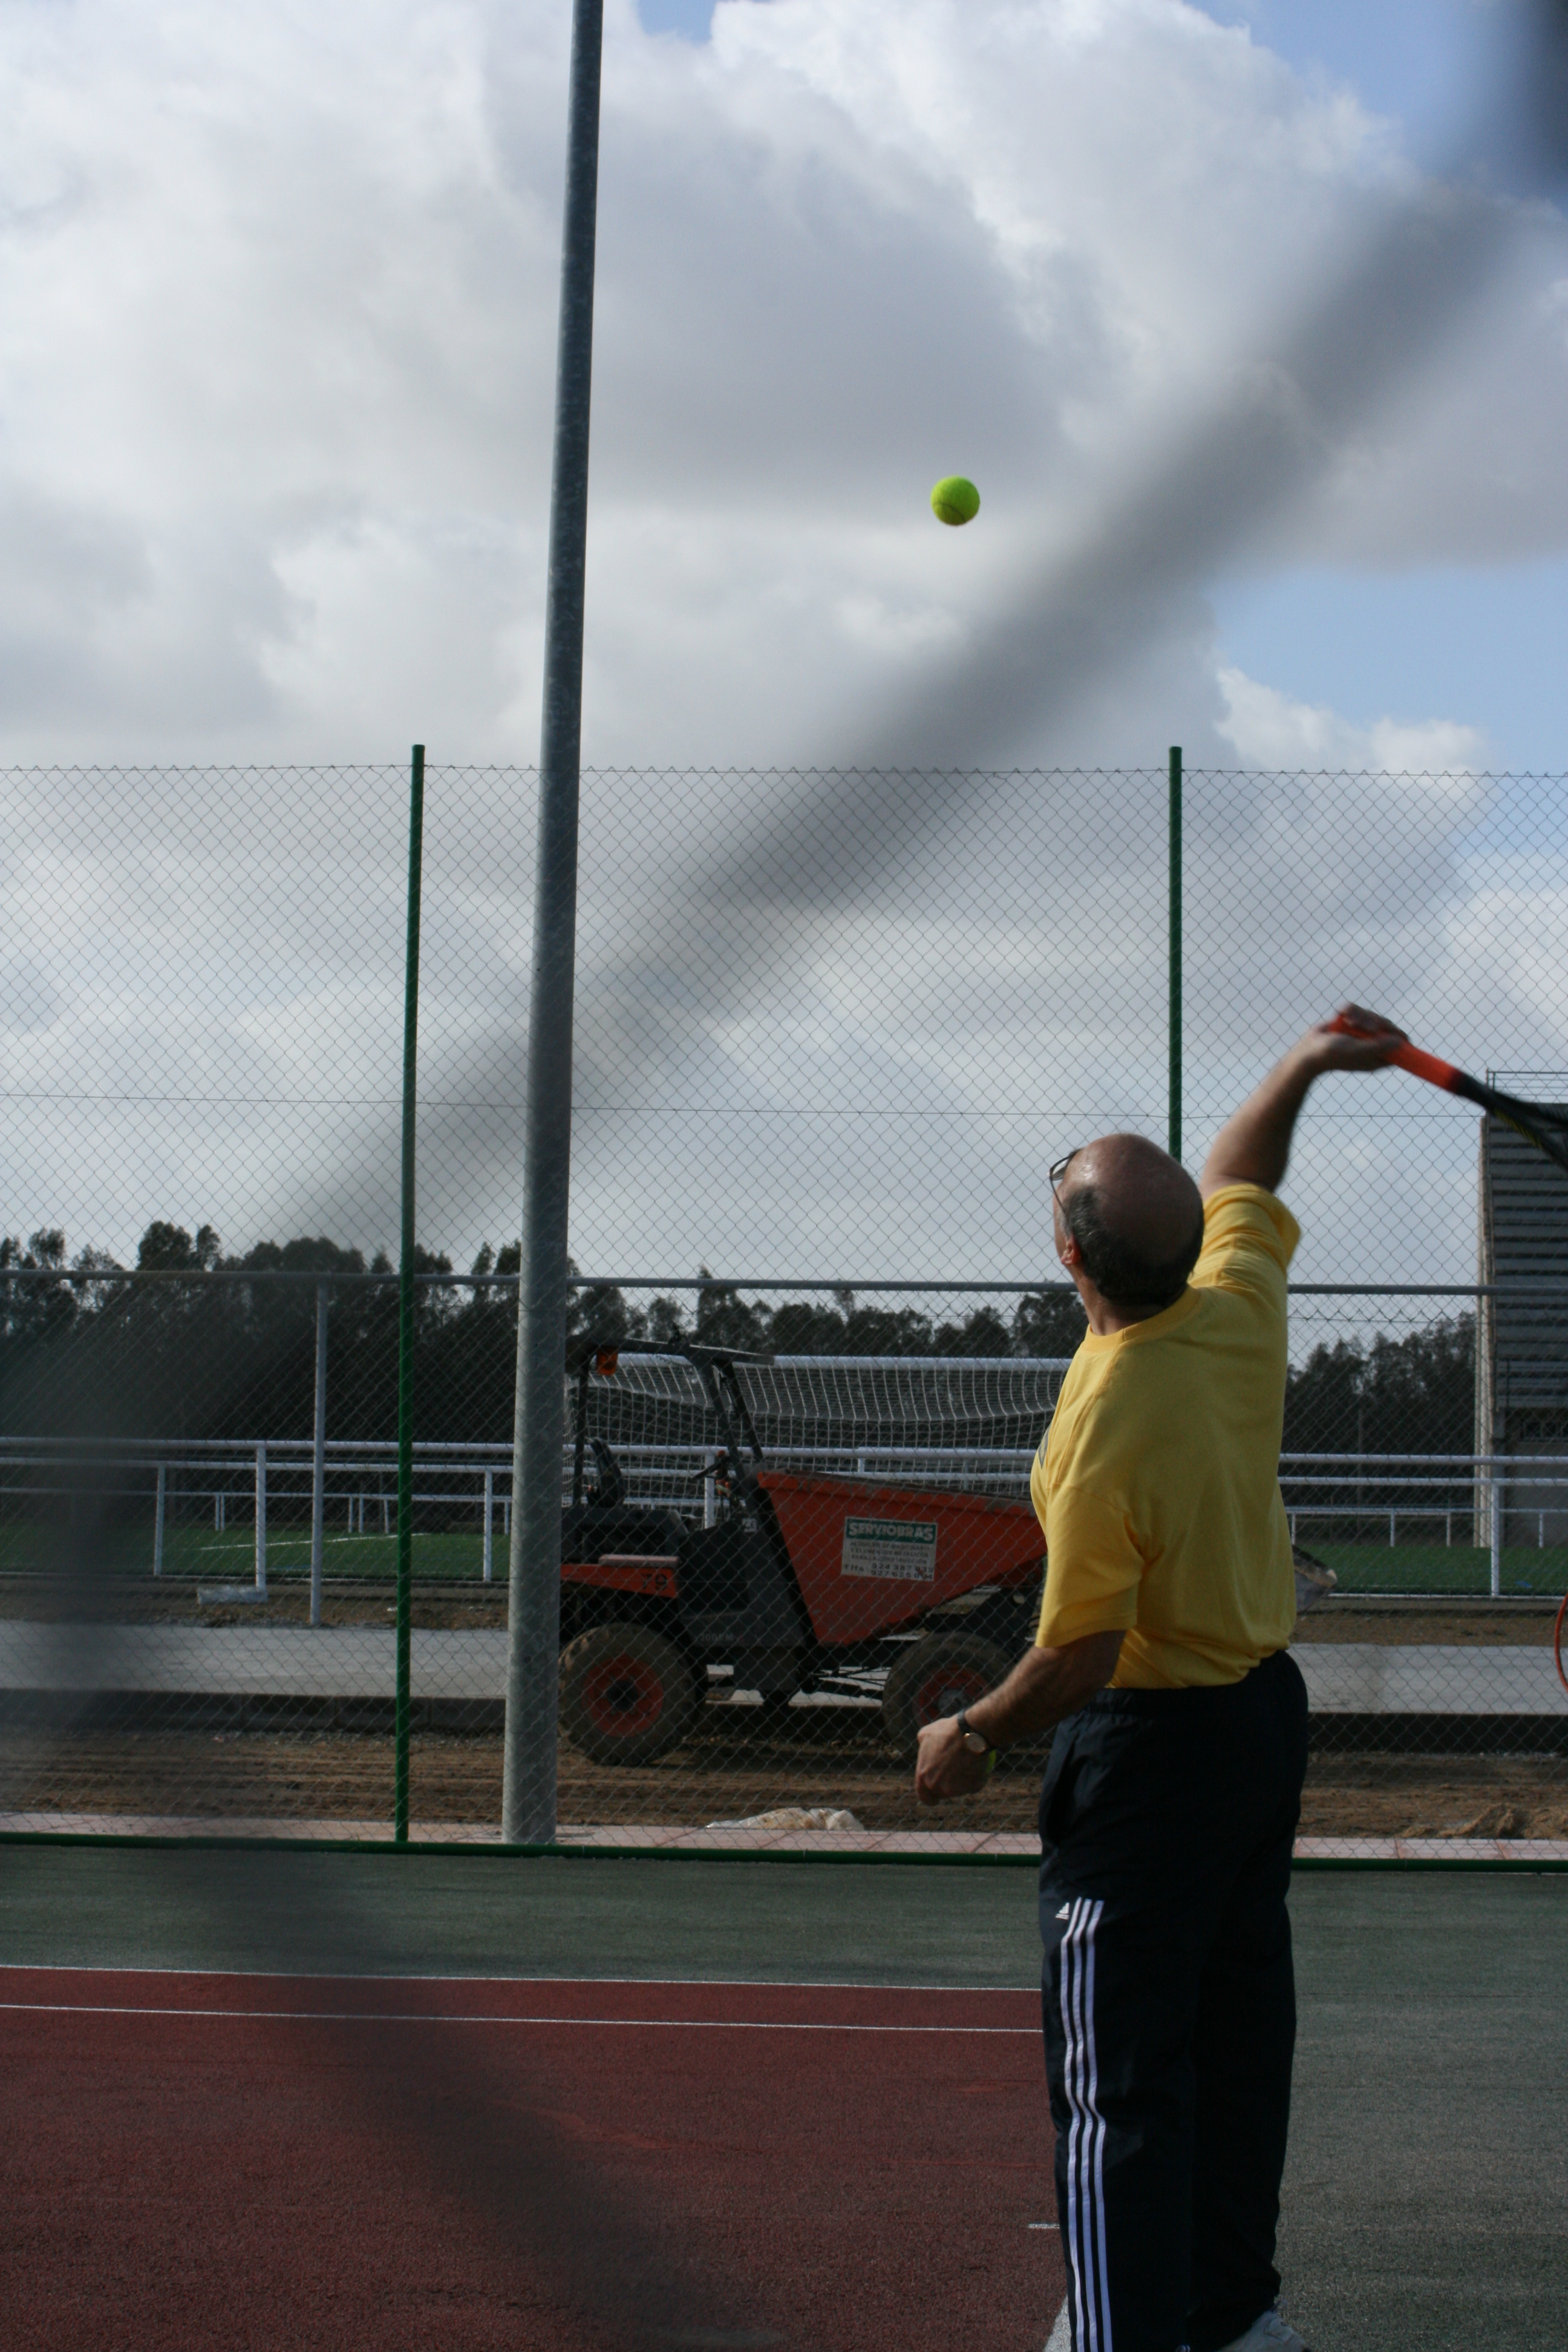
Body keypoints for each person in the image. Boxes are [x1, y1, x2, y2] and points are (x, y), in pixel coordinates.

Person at [914, 1007, 1407, 2352]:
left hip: (1147, 1754)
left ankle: (1122, 2334)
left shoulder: (1102, 1427)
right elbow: (1245, 1168)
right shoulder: (1237, 1308)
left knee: (1117, 2078)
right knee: (1238, 2046)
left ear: (1069, 1255)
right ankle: (1229, 2319)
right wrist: (1306, 1062)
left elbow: (1077, 1655)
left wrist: (973, 1730)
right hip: (1257, 1730)